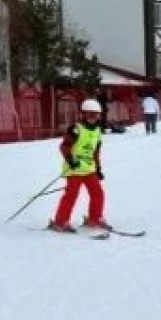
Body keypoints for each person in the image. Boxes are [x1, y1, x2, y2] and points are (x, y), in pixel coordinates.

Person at [48, 99, 108, 233]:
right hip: (74, 169)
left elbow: (96, 151)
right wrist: (71, 160)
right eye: (89, 115)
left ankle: (95, 218)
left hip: (89, 169)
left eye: (96, 115)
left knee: (98, 193)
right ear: (83, 115)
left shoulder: (97, 131)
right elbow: (64, 146)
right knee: (71, 195)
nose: (93, 118)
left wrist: (98, 168)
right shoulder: (76, 129)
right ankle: (60, 222)